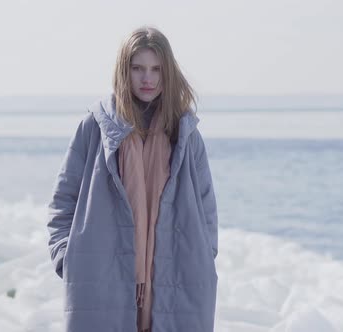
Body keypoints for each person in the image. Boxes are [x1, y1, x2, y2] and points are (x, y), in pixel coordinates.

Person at [47, 26, 218, 332]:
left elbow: (207, 211)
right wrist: (68, 258)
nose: (147, 78)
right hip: (101, 278)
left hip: (174, 278)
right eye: (137, 68)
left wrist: (204, 256)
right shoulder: (95, 128)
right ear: (123, 71)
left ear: (168, 72)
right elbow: (64, 201)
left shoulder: (185, 134)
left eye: (156, 69)